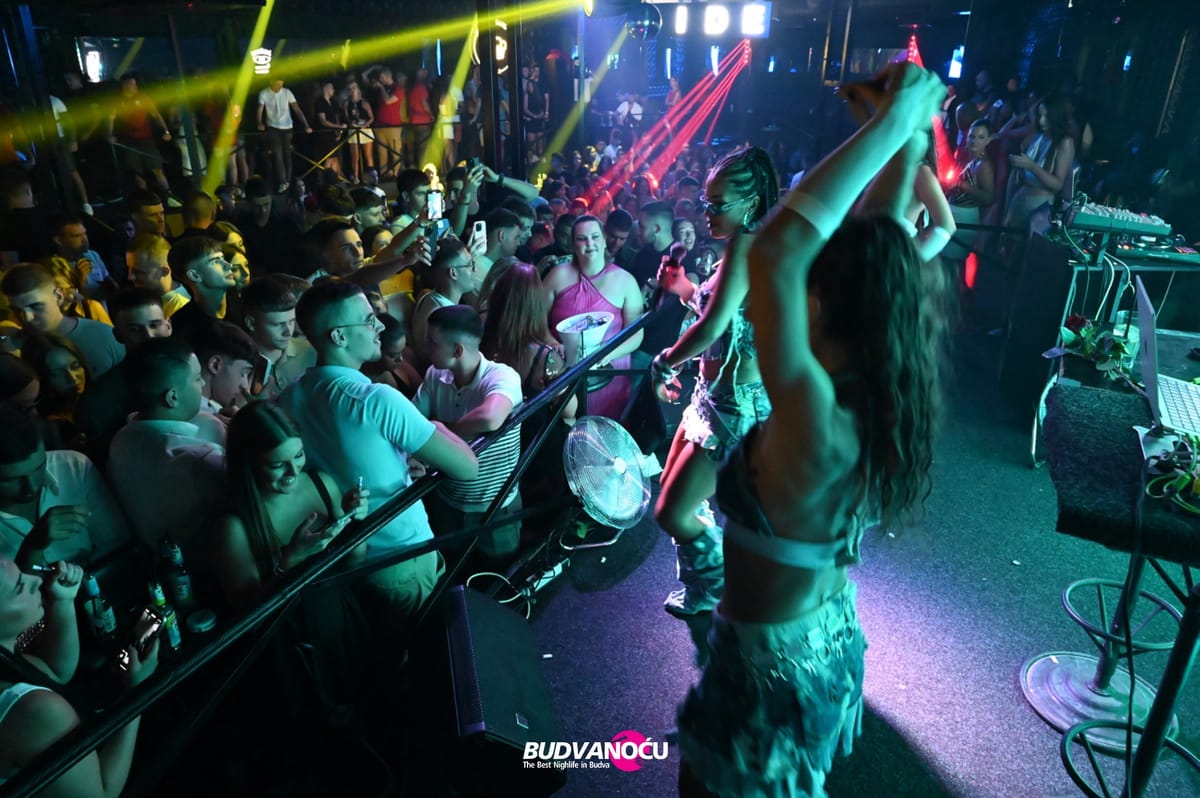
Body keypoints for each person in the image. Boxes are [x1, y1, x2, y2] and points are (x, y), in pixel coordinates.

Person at [675, 62, 951, 798]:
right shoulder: (873, 390)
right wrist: (902, 142)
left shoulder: (812, 410)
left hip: (765, 675)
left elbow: (775, 252)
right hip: (820, 637)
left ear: (822, 305)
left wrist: (893, 125)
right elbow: (876, 243)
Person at [277, 280, 477, 618]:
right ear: (339, 336)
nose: (380, 327)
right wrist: (438, 427)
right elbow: (467, 467)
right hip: (402, 558)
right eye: (369, 320)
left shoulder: (288, 399)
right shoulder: (374, 400)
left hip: (345, 562)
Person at [650, 147, 778, 617]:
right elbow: (721, 311)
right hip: (712, 399)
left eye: (718, 204)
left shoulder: (747, 246)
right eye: (706, 202)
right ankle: (707, 588)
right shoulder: (746, 245)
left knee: (673, 511)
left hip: (733, 408)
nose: (707, 213)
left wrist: (666, 361)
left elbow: (712, 327)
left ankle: (724, 583)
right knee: (675, 494)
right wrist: (683, 288)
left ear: (752, 202)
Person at [0, 557, 159, 796]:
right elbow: (104, 793)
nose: (36, 581)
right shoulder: (35, 712)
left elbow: (55, 673)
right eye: (19, 587)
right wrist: (139, 694)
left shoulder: (5, 662)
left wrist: (63, 600)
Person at [214, 401, 368, 609]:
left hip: (341, 609)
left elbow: (355, 562)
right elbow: (248, 613)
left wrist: (354, 521)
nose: (294, 471)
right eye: (277, 465)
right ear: (249, 465)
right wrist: (289, 562)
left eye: (298, 455)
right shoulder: (234, 527)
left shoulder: (322, 483)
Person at [414, 305, 523, 561]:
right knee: (453, 567)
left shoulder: (501, 376)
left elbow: (490, 417)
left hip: (495, 508)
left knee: (498, 571)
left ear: (457, 351)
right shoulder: (434, 374)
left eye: (432, 342)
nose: (425, 347)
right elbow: (413, 419)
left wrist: (442, 435)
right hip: (446, 499)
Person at [0, 409, 130, 568]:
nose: (31, 486)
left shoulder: (72, 466)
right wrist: (32, 547)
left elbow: (117, 545)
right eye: (11, 480)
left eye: (39, 467)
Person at [544, 215, 644, 419]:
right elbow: (536, 320)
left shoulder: (625, 281)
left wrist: (606, 353)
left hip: (609, 371)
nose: (589, 243)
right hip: (563, 371)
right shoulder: (557, 276)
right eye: (582, 239)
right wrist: (553, 344)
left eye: (595, 237)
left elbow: (636, 333)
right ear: (573, 245)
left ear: (604, 240)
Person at [944, 118, 996, 264]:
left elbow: (989, 198)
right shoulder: (964, 156)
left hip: (965, 217)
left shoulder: (984, 165)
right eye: (972, 136)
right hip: (951, 213)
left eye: (980, 137)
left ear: (988, 140)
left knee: (952, 262)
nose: (974, 141)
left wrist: (962, 185)